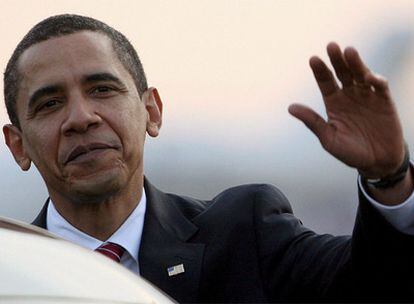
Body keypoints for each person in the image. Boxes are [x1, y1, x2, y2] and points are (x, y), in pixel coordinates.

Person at [2, 14, 414, 302]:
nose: (81, 117)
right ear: (18, 145)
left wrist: (389, 178)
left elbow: (378, 284)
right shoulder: (12, 272)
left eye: (102, 90)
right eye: (51, 103)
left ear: (152, 112)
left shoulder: (246, 234)